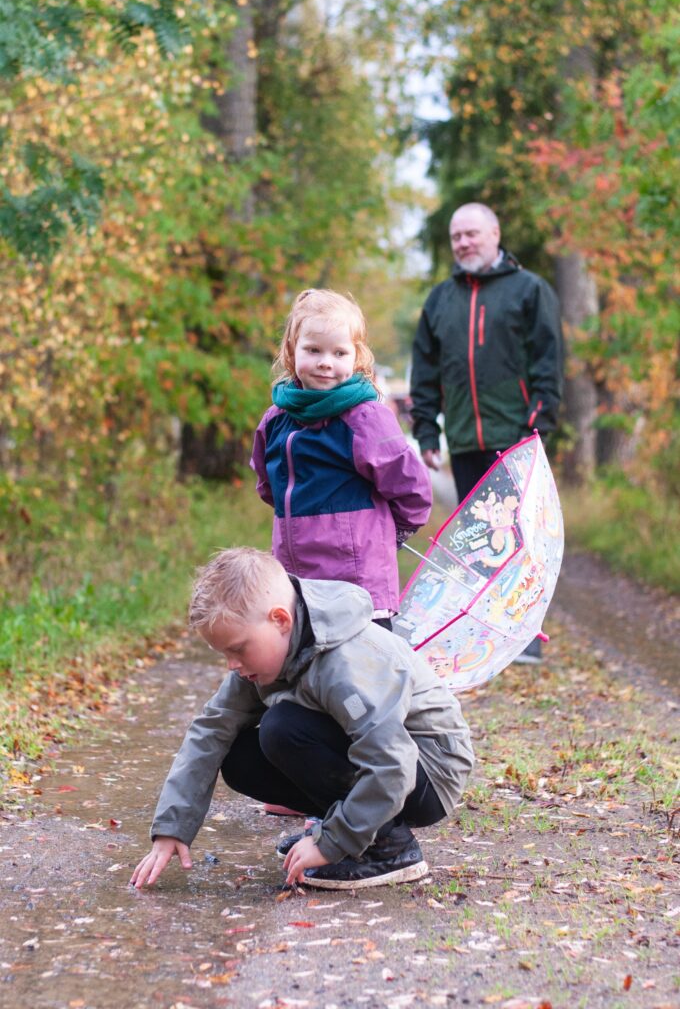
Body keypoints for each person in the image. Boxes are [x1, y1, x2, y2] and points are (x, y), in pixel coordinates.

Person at [130, 547, 474, 891]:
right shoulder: (267, 655)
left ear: (280, 620)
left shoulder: (345, 665)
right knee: (238, 757)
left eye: (238, 649)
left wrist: (331, 843)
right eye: (225, 654)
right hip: (387, 765)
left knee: (283, 728)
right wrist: (172, 828)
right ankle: (352, 827)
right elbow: (212, 727)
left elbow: (393, 764)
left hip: (428, 774)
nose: (232, 665)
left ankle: (388, 847)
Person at [410, 202, 563, 663]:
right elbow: (425, 372)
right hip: (463, 438)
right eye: (456, 236)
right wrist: (426, 432)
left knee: (520, 539)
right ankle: (487, 638)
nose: (463, 243)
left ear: (495, 234)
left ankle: (526, 639)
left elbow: (549, 361)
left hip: (515, 438)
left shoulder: (529, 290)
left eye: (471, 233)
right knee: (479, 539)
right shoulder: (440, 300)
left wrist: (538, 422)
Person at [251, 288, 432, 631]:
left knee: (364, 662)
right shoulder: (276, 420)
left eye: (339, 352)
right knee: (304, 657)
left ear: (356, 357)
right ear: (291, 350)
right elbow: (267, 483)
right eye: (313, 350)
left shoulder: (366, 419)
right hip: (296, 576)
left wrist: (385, 534)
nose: (325, 362)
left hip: (358, 580)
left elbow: (412, 490)